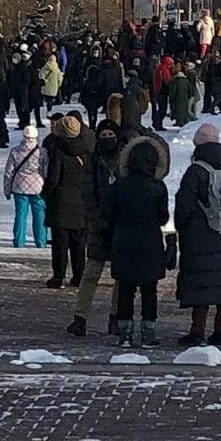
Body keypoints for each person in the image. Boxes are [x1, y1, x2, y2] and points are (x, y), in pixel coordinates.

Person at [174, 122, 221, 347]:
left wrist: (181, 226)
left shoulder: (196, 170)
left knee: (201, 283)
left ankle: (197, 332)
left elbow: (184, 204)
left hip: (199, 233)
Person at [105, 139, 169, 348]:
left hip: (124, 240)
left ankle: (125, 333)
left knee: (126, 289)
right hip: (150, 242)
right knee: (149, 290)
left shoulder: (119, 186)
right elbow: (163, 218)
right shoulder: (158, 187)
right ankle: (148, 333)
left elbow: (108, 215)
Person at [68, 119, 123, 338]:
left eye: (111, 135)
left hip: (120, 226)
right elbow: (88, 195)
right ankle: (80, 317)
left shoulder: (124, 160)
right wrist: (97, 222)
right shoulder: (93, 161)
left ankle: (116, 317)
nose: (108, 140)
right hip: (99, 227)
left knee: (121, 276)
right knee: (91, 273)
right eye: (104, 135)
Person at [42, 114, 90, 289]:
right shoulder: (86, 150)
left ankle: (59, 276)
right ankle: (79, 276)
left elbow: (53, 178)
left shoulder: (58, 151)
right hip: (81, 203)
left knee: (60, 244)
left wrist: (46, 192)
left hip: (61, 203)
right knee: (79, 243)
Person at [3, 124, 47, 249]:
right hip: (38, 187)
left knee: (20, 214)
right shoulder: (42, 152)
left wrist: (7, 189)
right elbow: (46, 171)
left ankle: (19, 241)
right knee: (39, 215)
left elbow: (8, 172)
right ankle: (41, 241)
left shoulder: (15, 151)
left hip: (19, 186)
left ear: (24, 136)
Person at [38, 45, 63, 111]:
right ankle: (50, 108)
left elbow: (41, 74)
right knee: (50, 99)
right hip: (54, 86)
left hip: (46, 85)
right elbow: (60, 77)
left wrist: (43, 80)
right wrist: (59, 84)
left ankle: (44, 106)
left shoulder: (46, 66)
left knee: (45, 97)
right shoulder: (57, 68)